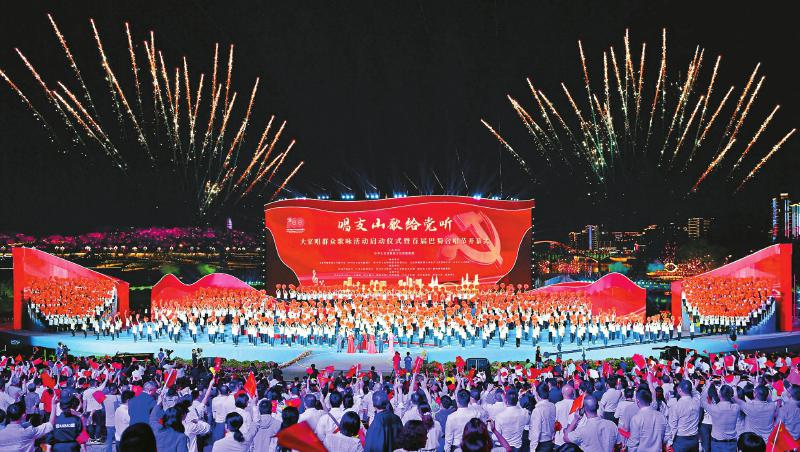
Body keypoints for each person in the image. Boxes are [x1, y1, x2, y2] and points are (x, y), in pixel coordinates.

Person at [666, 380, 701, 452]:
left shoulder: (676, 406)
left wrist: (669, 442)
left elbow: (673, 427)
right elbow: (695, 393)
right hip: (694, 439)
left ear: (679, 390)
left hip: (681, 440)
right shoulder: (697, 401)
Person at [529, 383, 556, 451]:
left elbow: (536, 432)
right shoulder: (553, 406)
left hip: (541, 445)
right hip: (550, 442)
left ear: (537, 394)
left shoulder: (537, 410)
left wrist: (532, 449)